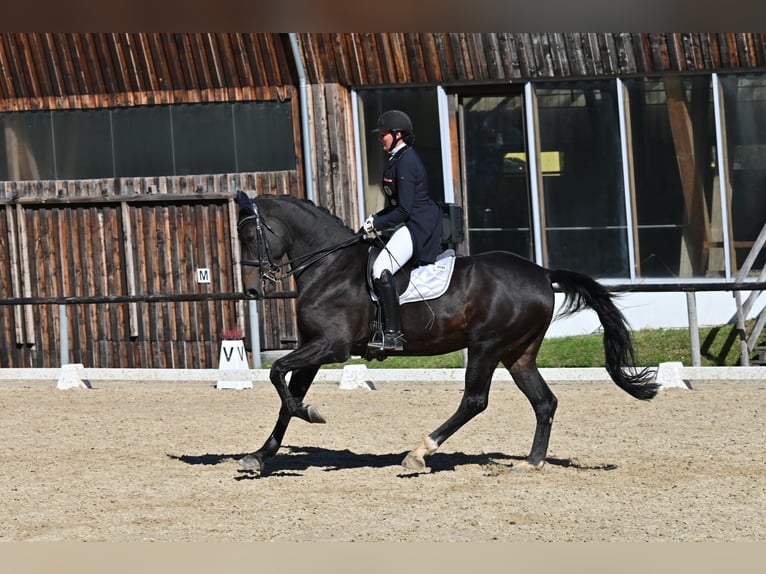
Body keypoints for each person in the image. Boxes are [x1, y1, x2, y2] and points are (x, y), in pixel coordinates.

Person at [363, 109, 443, 352]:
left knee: (381, 268)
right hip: (405, 220)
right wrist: (376, 218)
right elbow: (393, 205)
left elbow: (404, 210)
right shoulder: (396, 157)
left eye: (384, 134)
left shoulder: (407, 161)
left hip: (418, 224)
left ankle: (393, 334)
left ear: (398, 135)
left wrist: (378, 222)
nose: (381, 138)